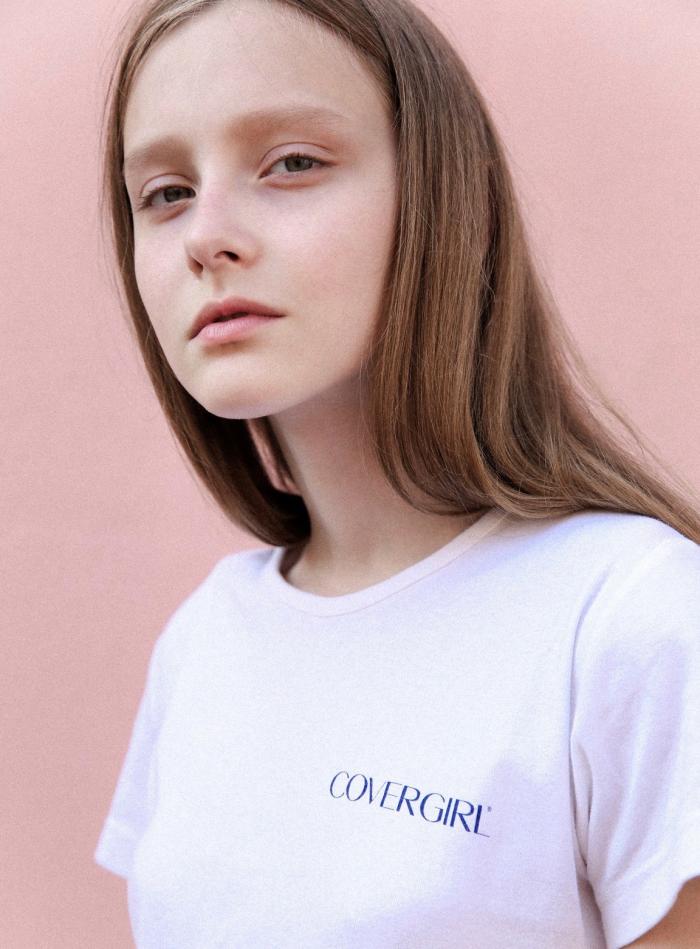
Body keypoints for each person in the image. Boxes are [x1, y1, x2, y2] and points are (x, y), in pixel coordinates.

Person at [93, 0, 700, 945]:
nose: (206, 235)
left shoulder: (631, 615)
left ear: (439, 197)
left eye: (292, 163)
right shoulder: (204, 640)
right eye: (166, 192)